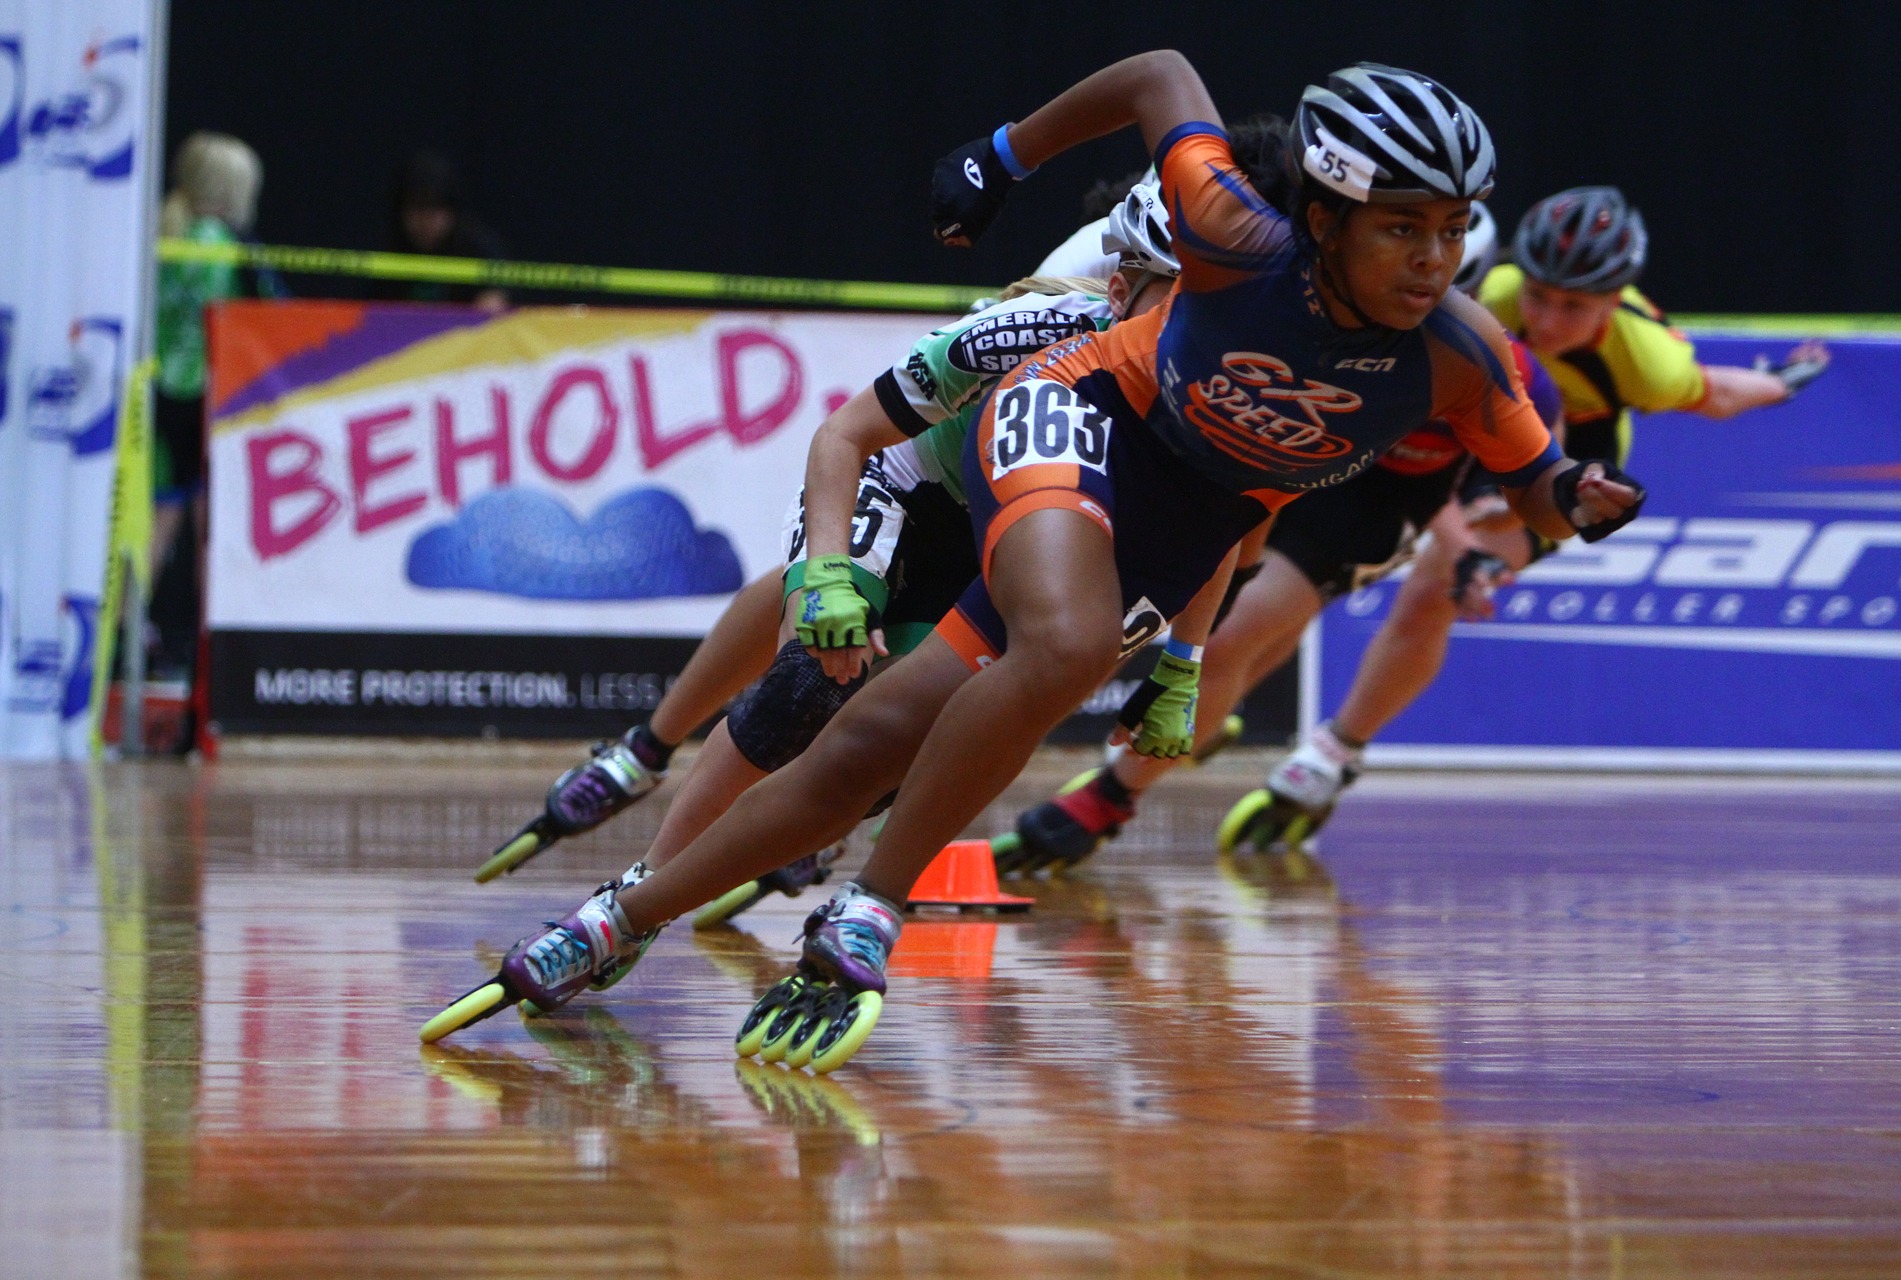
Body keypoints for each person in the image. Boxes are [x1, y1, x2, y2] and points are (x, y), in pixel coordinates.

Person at [426, 52, 1647, 1068]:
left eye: (1448, 232)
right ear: (1321, 220)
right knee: (1030, 651)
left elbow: (1511, 480)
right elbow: (1164, 74)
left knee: (879, 740)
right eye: (1400, 230)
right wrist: (1002, 154)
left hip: (1183, 514)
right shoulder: (1219, 234)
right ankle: (863, 912)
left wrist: (1573, 498)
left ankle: (611, 920)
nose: (1432, 260)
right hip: (1071, 411)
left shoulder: (1464, 356)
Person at [463, 183, 1186, 905]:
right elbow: (848, 433)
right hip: (910, 473)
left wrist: (1185, 662)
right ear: (1122, 289)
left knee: (905, 740)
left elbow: (1221, 534)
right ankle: (645, 812)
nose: (1194, 326)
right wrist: (831, 573)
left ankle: (804, 818)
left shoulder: (1222, 374)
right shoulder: (1063, 306)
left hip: (998, 527)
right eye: (1179, 301)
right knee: (809, 672)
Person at [1235, 185, 1831, 848]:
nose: (1545, 320)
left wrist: (1782, 382)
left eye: (1573, 307)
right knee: (1320, 561)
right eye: (1539, 295)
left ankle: (1332, 755)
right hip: (1456, 429)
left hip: (1561, 461)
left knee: (1438, 584)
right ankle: (1228, 686)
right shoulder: (1486, 290)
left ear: (1616, 302)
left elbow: (1716, 394)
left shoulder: (1648, 360)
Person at [993, 202, 1568, 872]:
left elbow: (1526, 474)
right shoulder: (1307, 303)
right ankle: (1209, 708)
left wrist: (1470, 546)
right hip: (1292, 456)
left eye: (1436, 304)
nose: (1405, 321)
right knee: (1201, 612)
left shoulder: (1501, 364)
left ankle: (1110, 799)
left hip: (1372, 501)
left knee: (1229, 637)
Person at [151, 132, 283, 682]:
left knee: (157, 521)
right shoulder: (215, 241)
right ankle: (214, 668)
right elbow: (263, 312)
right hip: (204, 397)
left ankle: (124, 645)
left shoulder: (165, 231)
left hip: (159, 394)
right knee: (208, 529)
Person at [372, 150, 510, 311]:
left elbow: (497, 299)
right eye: (417, 209)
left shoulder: (478, 251)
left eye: (436, 209)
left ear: (453, 212)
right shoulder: (387, 256)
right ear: (401, 212)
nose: (426, 222)